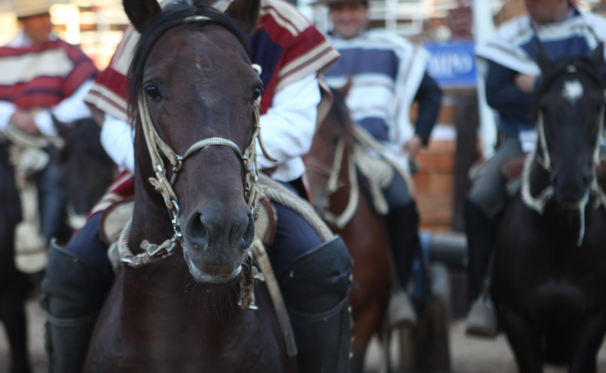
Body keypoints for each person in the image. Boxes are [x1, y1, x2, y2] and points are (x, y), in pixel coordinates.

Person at [42, 0, 354, 372]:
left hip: (265, 180)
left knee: (322, 270)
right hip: (155, 179)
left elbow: (298, 125)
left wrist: (218, 154)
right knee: (69, 272)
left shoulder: (283, 22)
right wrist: (167, 162)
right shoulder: (154, 21)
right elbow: (113, 122)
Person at [467, 0, 606, 337]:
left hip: (592, 138)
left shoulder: (598, 32)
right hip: (524, 139)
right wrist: (563, 92)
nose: (529, 3)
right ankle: (482, 297)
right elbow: (497, 94)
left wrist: (541, 84)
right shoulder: (507, 37)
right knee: (479, 198)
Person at [319, 0, 443, 328]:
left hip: (377, 152)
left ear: (367, 12)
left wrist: (420, 138)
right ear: (329, 14)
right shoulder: (314, 49)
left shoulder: (394, 47)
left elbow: (431, 93)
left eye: (353, 9)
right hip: (323, 154)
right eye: (338, 10)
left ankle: (400, 289)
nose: (346, 16)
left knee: (402, 201)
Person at [0, 0, 98, 246]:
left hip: (54, 140)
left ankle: (45, 245)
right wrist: (11, 115)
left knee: (54, 177)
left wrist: (44, 120)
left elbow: (89, 95)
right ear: (22, 21)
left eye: (46, 14)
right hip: (7, 140)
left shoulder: (66, 53)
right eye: (37, 16)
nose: (45, 21)